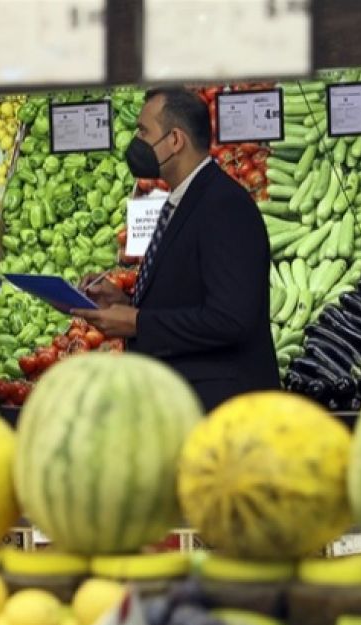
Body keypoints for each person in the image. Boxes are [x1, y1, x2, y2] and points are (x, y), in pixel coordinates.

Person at [74, 87, 280, 411]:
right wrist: (123, 302)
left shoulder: (224, 206)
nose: (136, 141)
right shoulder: (185, 200)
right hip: (184, 404)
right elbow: (188, 297)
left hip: (221, 410)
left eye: (143, 131)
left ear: (175, 141)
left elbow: (231, 319)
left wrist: (138, 323)